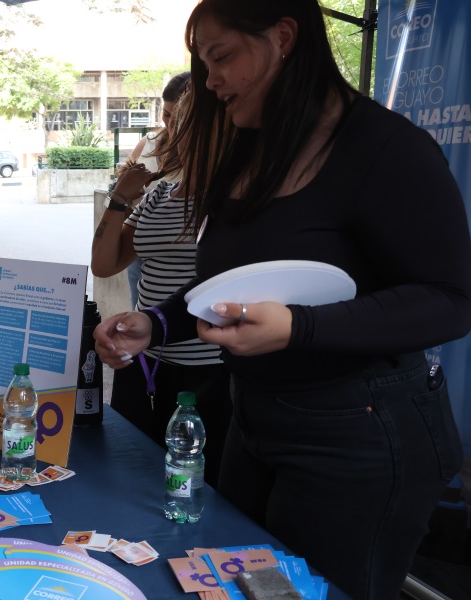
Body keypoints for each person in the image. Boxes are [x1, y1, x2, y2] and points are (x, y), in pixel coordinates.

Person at [93, 1, 470, 598]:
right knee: (238, 585)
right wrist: (157, 323)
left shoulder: (386, 148)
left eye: (221, 58)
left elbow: (449, 300)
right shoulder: (250, 148)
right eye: (203, 62)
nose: (210, 81)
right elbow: (229, 283)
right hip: (258, 417)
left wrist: (300, 328)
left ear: (284, 37)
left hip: (361, 435)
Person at [91, 78, 231, 488]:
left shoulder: (230, 198)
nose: (173, 133)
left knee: (194, 483)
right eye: (172, 121)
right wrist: (121, 196)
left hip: (206, 368)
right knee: (132, 475)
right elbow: (104, 263)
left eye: (183, 123)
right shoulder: (161, 193)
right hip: (144, 358)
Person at [118, 73, 194, 310]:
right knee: (139, 312)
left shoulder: (197, 150)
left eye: (178, 117)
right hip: (138, 245)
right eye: (166, 114)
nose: (170, 124)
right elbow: (123, 183)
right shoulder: (148, 142)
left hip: (178, 251)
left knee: (172, 318)